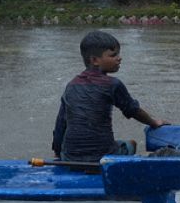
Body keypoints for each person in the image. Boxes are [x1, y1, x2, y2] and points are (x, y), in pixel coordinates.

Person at [52, 30, 166, 162]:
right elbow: (133, 110)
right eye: (113, 55)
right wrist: (154, 123)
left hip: (70, 157)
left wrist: (57, 153)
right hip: (103, 157)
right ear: (94, 60)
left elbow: (61, 123)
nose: (119, 58)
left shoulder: (71, 85)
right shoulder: (113, 84)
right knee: (132, 144)